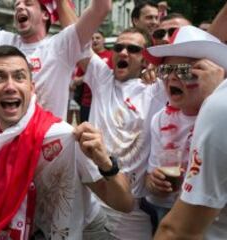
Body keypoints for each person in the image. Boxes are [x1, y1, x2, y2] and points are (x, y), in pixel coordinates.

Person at [0, 45, 133, 240]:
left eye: (19, 77)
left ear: (31, 88)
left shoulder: (62, 136)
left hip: (83, 230)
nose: (10, 86)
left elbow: (124, 204)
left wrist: (106, 163)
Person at [0, 0, 112, 119]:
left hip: (48, 146)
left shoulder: (62, 44)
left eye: (28, 3)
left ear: (45, 14)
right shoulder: (5, 41)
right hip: (9, 143)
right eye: (17, 4)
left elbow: (101, 8)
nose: (19, 7)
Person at [78, 27, 168, 239]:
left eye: (133, 49)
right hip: (91, 198)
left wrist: (161, 69)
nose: (124, 52)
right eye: (119, 47)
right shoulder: (102, 78)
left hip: (132, 211)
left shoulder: (155, 89)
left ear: (145, 58)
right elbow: (77, 35)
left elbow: (199, 68)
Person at [143, 26, 227, 234]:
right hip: (172, 215)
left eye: (183, 70)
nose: (172, 78)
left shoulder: (221, 114)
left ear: (214, 73)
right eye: (165, 70)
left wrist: (213, 98)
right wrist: (154, 183)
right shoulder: (159, 120)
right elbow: (151, 179)